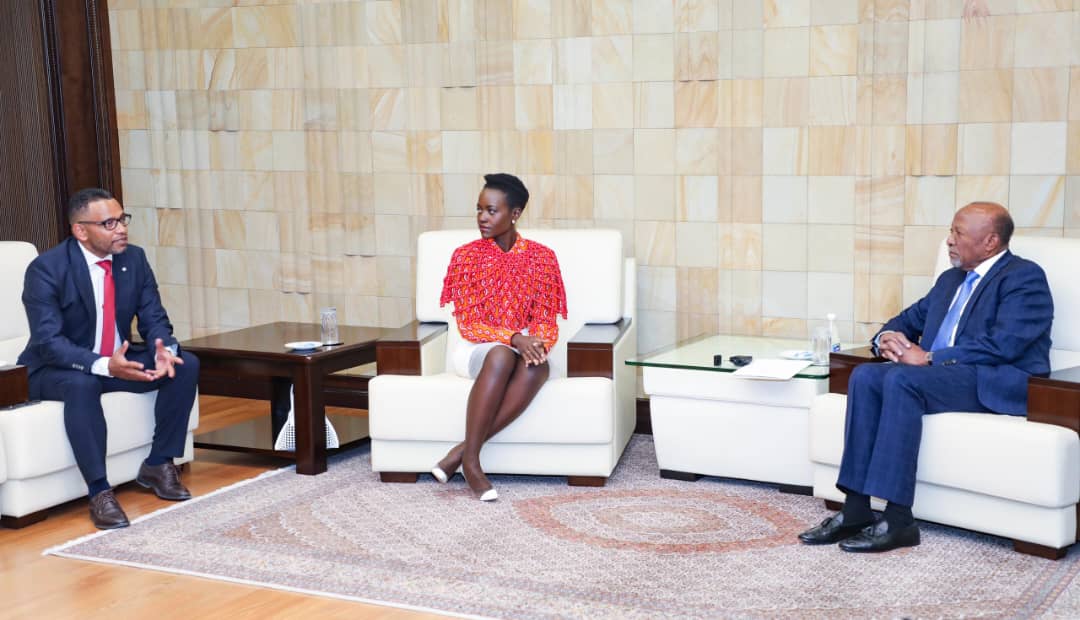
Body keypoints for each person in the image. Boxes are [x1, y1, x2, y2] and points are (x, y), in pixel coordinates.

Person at [798, 202, 1052, 552]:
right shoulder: (950, 279)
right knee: (866, 376)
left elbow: (1005, 344)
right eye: (950, 231)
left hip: (993, 378)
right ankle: (855, 509)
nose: (949, 240)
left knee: (901, 380)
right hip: (945, 375)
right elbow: (907, 319)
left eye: (958, 233)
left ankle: (898, 519)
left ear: (990, 242)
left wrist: (930, 357)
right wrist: (885, 338)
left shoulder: (1023, 277)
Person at [18, 187, 199, 529]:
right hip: (56, 369)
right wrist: (103, 365)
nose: (122, 229)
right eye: (109, 223)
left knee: (184, 364)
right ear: (81, 230)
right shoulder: (47, 269)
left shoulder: (134, 259)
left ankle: (159, 463)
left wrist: (163, 349)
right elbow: (49, 342)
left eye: (122, 219)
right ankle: (99, 491)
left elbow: (154, 317)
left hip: (115, 363)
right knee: (82, 384)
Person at [431, 173, 567, 501]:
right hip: (474, 351)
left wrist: (537, 345)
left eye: (491, 211)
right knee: (502, 354)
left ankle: (460, 454)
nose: (482, 217)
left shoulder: (543, 258)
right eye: (479, 209)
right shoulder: (465, 257)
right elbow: (469, 326)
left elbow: (545, 321)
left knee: (539, 365)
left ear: (515, 213)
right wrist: (515, 338)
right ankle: (473, 464)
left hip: (516, 350)